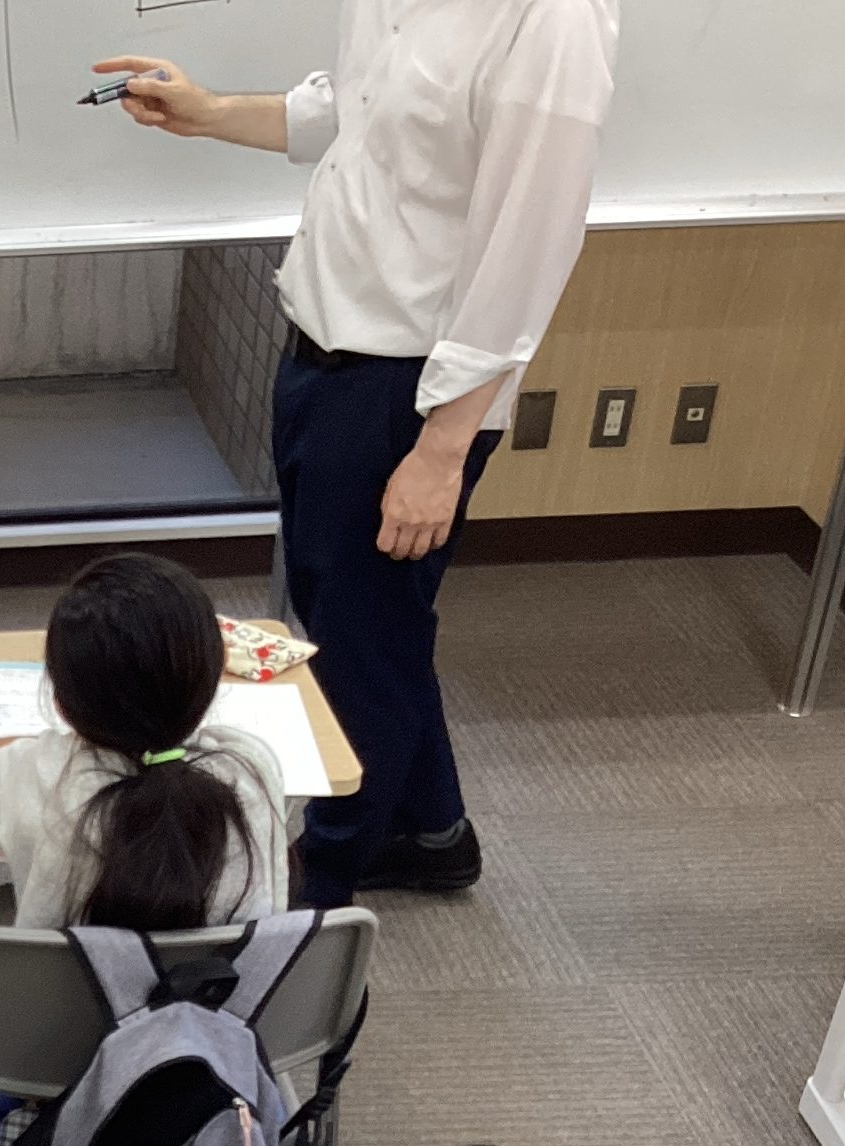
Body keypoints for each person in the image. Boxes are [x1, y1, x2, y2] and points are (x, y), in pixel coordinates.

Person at [94, 0, 619, 904]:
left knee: (360, 641)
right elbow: (363, 111)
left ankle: (323, 877)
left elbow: (528, 242)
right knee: (364, 620)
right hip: (320, 342)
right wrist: (212, 112)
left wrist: (442, 450)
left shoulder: (554, 17)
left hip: (410, 386)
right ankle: (430, 827)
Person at [0, 554, 287, 932]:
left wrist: (58, 742)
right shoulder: (251, 766)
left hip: (73, 973)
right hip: (226, 971)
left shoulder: (45, 770)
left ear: (61, 705)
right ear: (214, 678)